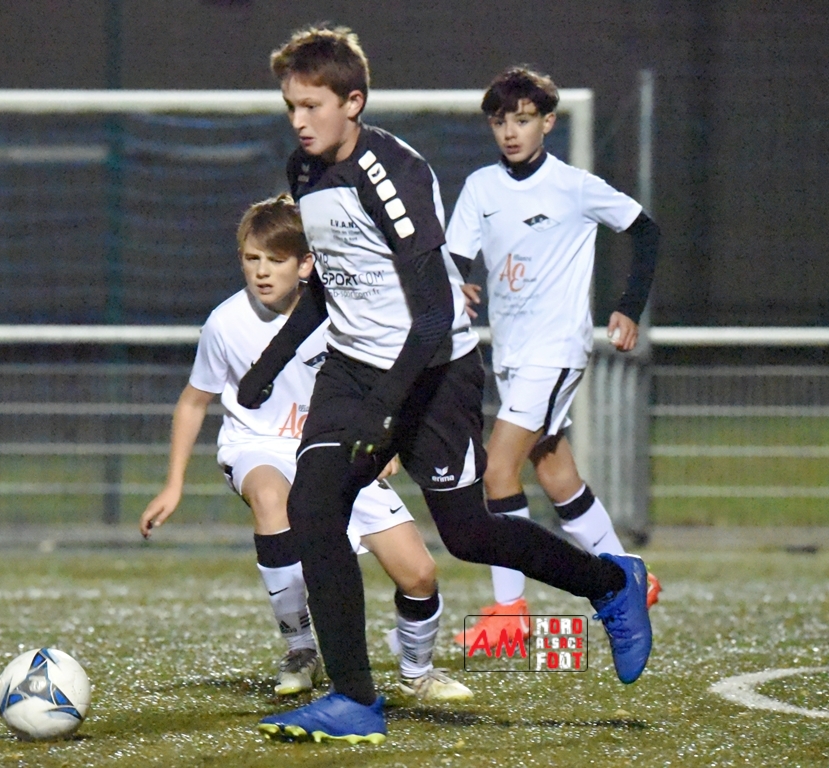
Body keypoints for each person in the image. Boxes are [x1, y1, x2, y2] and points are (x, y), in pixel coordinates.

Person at [244, 26, 653, 745]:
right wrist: (270, 362)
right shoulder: (303, 171)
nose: (300, 121)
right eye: (291, 107)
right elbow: (331, 287)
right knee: (313, 507)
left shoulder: (392, 173)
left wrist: (383, 410)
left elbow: (435, 313)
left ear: (353, 102)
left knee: (467, 534)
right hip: (353, 367)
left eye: (312, 106)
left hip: (434, 371)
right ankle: (354, 699)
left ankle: (611, 584)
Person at [139, 194, 472, 704]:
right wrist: (173, 485)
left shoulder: (343, 314)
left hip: (330, 446)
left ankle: (417, 672)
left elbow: (384, 378)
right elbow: (193, 401)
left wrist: (387, 439)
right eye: (252, 259)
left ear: (306, 264)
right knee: (271, 497)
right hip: (257, 445)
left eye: (276, 260)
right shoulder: (225, 323)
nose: (262, 272)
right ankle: (300, 649)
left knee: (419, 573)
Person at [446, 66, 664, 652]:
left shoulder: (573, 186)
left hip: (555, 349)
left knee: (497, 470)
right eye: (500, 121)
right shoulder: (481, 188)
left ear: (547, 122)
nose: (510, 132)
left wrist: (628, 307)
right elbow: (454, 258)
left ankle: (510, 609)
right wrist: (456, 283)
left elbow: (646, 232)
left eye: (522, 120)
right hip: (512, 353)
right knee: (554, 471)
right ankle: (632, 577)